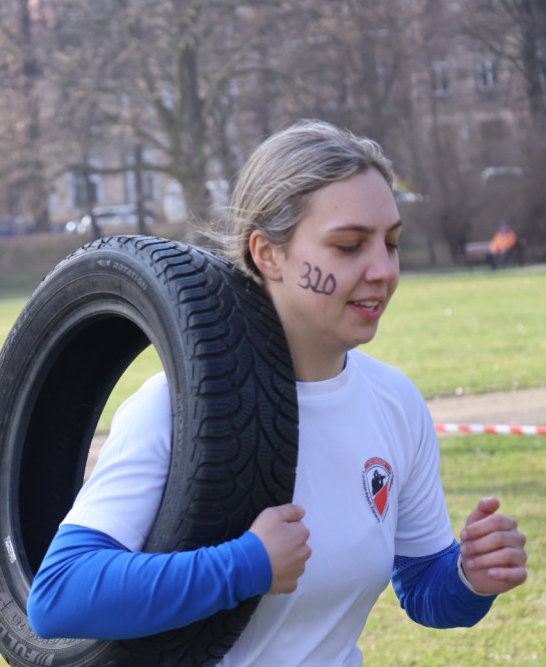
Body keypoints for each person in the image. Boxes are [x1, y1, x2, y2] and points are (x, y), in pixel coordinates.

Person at [26, 120, 527, 665]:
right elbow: (59, 597)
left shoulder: (395, 402)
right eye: (349, 245)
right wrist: (247, 565)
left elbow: (425, 590)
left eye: (392, 243)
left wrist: (470, 576)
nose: (383, 270)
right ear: (268, 254)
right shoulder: (180, 409)